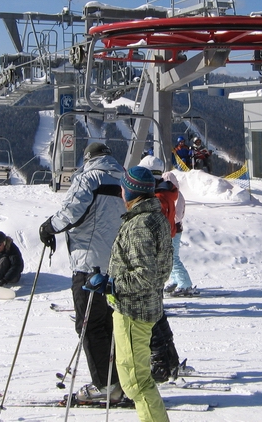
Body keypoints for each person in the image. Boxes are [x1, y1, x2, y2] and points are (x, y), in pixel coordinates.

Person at [38, 142, 126, 404]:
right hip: (117, 267)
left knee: (89, 325)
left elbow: (72, 213)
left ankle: (106, 386)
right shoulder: (125, 180)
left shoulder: (89, 178)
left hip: (89, 266)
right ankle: (120, 380)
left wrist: (48, 227)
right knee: (110, 323)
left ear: (88, 159)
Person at [86, 166, 173, 422]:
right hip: (143, 308)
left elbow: (145, 274)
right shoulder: (155, 218)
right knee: (136, 379)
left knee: (136, 382)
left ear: (131, 191)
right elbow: (161, 269)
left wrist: (111, 285)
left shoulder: (139, 225)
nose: (121, 192)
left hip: (133, 312)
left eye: (123, 188)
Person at [139, 156, 191, 382]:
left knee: (151, 313)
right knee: (156, 312)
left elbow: (151, 228)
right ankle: (169, 360)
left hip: (152, 257)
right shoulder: (168, 193)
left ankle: (162, 363)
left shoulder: (157, 197)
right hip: (162, 249)